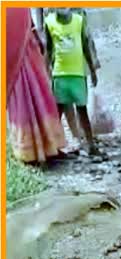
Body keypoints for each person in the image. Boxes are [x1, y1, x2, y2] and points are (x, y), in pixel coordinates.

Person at [6, 8, 67, 164]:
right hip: (12, 51)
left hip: (28, 44)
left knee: (40, 92)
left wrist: (37, 34)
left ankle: (50, 146)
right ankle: (30, 151)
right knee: (24, 94)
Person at [34, 7, 101, 144]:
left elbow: (85, 45)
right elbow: (48, 49)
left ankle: (82, 138)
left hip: (74, 27)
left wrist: (93, 67)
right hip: (59, 60)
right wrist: (40, 28)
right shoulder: (50, 22)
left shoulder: (79, 20)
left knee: (79, 105)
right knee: (62, 105)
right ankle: (72, 136)